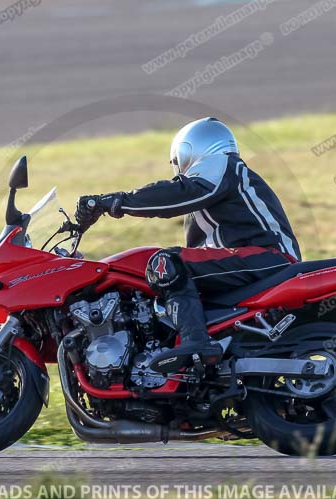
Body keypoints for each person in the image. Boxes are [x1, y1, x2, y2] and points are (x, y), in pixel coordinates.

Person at [75, 117, 301, 367]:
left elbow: (182, 192)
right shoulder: (221, 183)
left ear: (188, 150)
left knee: (165, 262)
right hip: (253, 259)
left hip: (268, 257)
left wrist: (117, 201)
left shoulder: (221, 163)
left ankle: (196, 345)